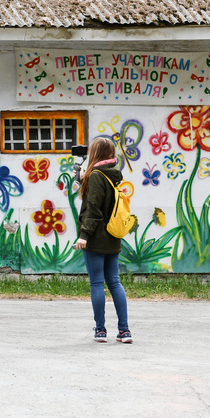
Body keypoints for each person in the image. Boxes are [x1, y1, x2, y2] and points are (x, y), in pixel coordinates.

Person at [74, 136, 132, 344]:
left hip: (96, 237)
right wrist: (83, 180)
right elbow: (101, 198)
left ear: (95, 153)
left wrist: (84, 236)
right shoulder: (113, 173)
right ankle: (124, 331)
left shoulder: (97, 175)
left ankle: (100, 330)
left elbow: (94, 209)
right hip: (112, 236)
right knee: (114, 282)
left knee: (97, 283)